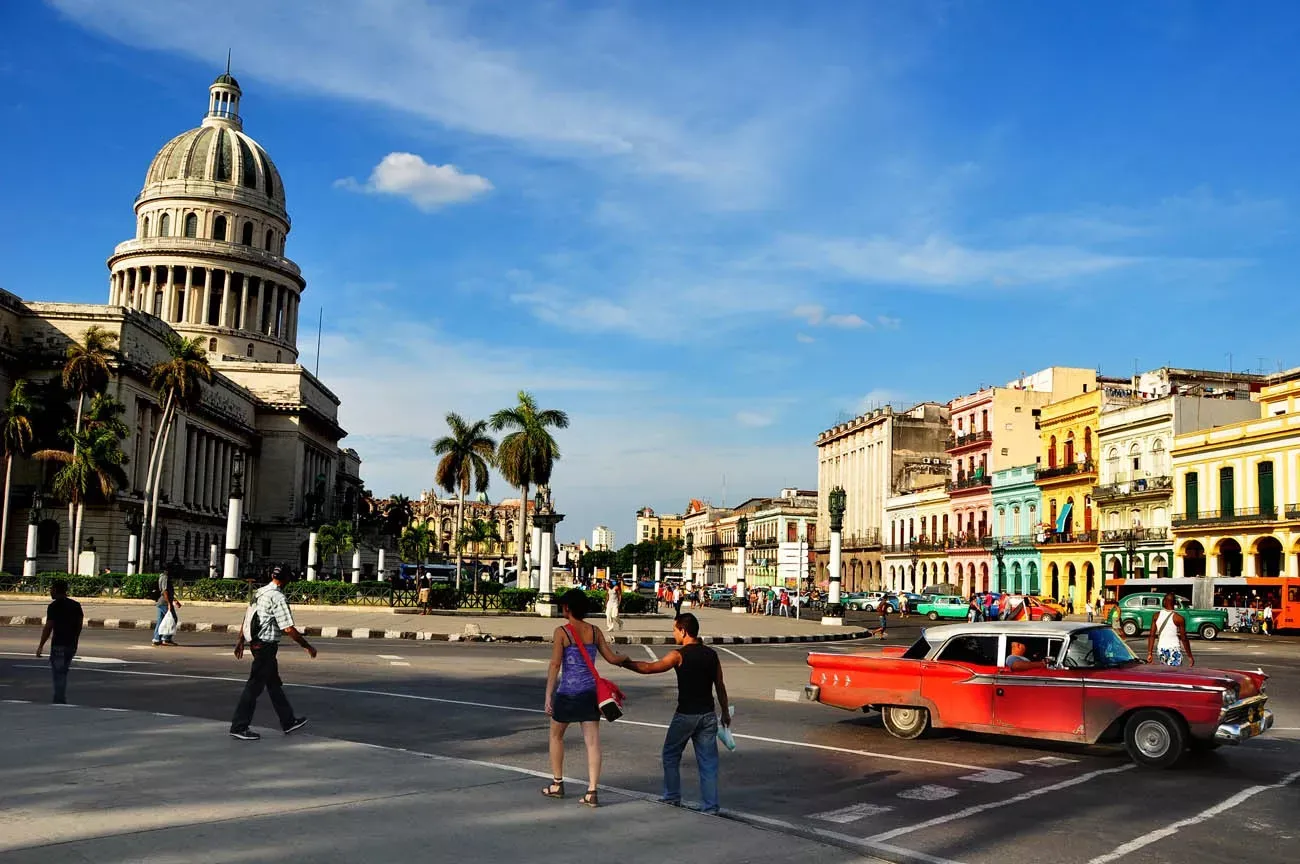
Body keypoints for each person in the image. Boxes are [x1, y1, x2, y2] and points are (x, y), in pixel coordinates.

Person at [621, 613, 730, 814]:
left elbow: (649, 668)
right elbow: (720, 686)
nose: (673, 634)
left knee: (670, 754)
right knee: (708, 763)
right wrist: (725, 712)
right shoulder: (712, 655)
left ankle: (672, 796)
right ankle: (711, 807)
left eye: (674, 630)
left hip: (686, 715)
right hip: (708, 715)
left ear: (684, 631)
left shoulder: (678, 655)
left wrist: (625, 662)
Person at [542, 588, 630, 808]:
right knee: (592, 743)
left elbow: (555, 664)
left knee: (556, 736)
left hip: (567, 693)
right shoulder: (595, 631)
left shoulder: (562, 632)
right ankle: (592, 791)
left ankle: (557, 784)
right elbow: (611, 658)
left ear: (567, 608)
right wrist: (626, 658)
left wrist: (548, 694)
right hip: (590, 694)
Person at [229, 567, 316, 741]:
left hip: (256, 643)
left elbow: (248, 616)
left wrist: (241, 640)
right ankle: (239, 726)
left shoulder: (260, 592)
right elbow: (288, 628)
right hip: (265, 646)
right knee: (253, 687)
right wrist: (306, 646)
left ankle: (288, 721)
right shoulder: (277, 597)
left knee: (273, 684)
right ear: (285, 580)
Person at [35, 579, 83, 704]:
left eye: (51, 589)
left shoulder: (54, 606)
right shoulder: (76, 605)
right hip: (71, 644)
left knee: (59, 673)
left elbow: (49, 627)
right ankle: (60, 698)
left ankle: (59, 699)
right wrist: (75, 640)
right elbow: (79, 625)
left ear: (56, 590)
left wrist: (41, 645)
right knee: (63, 672)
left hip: (58, 644)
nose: (50, 591)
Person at [1146, 592, 1195, 667]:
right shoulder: (1179, 618)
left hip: (1161, 649)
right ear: (1174, 603)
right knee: (1175, 672)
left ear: (1164, 601)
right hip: (1174, 649)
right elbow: (1184, 638)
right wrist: (1190, 656)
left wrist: (1150, 653)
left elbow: (1151, 635)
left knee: (1165, 672)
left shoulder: (1156, 616)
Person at [152, 569, 181, 646]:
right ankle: (166, 638)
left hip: (162, 602)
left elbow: (168, 592)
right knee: (173, 618)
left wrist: (174, 600)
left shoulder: (164, 577)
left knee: (160, 621)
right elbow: (164, 591)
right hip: (164, 603)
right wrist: (169, 603)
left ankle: (157, 639)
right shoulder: (165, 577)